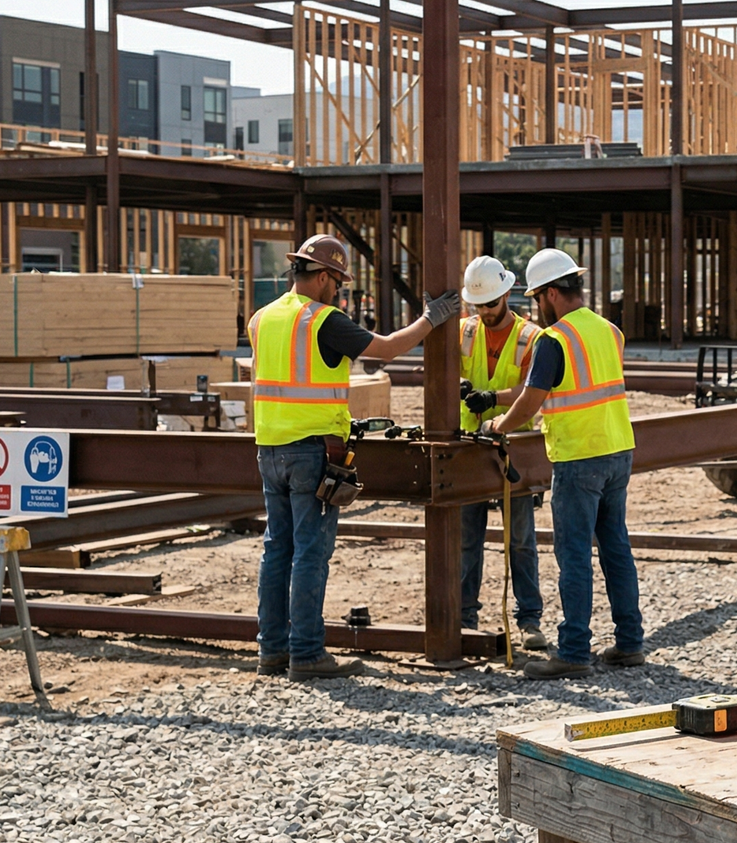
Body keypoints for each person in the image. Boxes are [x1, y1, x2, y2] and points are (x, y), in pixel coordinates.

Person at [249, 234, 460, 681]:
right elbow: (384, 349)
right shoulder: (322, 320)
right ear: (323, 277)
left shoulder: (261, 318)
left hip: (268, 450)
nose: (340, 291)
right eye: (339, 283)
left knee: (276, 550)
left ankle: (272, 650)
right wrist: (430, 318)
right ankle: (306, 654)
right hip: (312, 452)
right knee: (309, 553)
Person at [481, 248, 641, 680]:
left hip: (577, 457)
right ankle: (630, 643)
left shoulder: (554, 340)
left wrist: (498, 425)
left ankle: (572, 652)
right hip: (618, 450)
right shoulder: (609, 331)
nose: (537, 307)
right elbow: (561, 384)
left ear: (551, 293)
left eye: (537, 298)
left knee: (573, 555)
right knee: (616, 548)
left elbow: (534, 398)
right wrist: (496, 399)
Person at [457, 255, 546, 649]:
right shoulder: (464, 332)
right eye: (478, 305)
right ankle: (463, 617)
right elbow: (437, 371)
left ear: (506, 293)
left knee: (521, 540)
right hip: (467, 448)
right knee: (465, 538)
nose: (485, 312)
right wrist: (455, 386)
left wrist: (493, 396)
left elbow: (533, 390)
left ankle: (529, 620)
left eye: (491, 304)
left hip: (515, 446)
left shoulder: (531, 337)